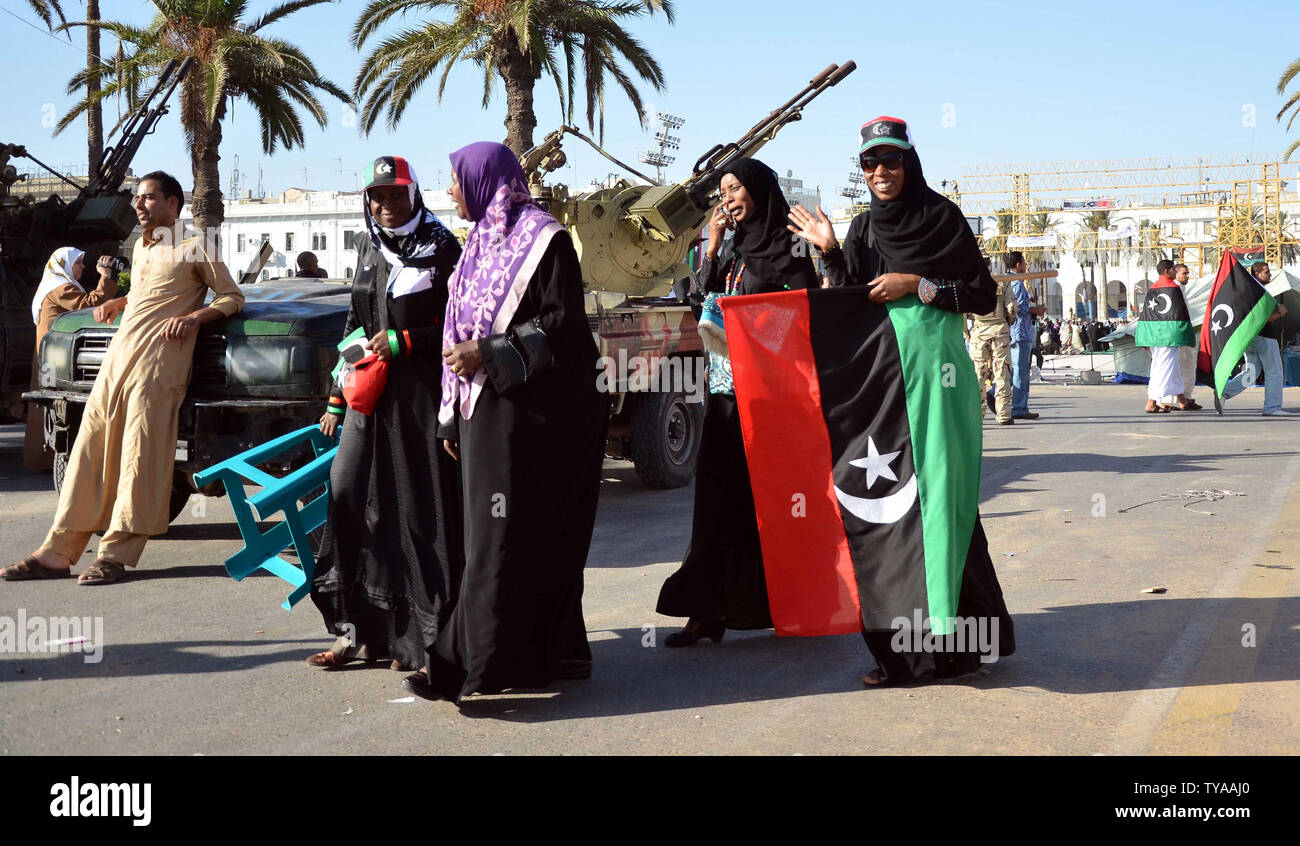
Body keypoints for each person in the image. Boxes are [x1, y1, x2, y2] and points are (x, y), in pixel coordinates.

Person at [787, 115, 1015, 686]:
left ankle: (954, 646)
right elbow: (853, 300)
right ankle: (908, 654)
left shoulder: (941, 217)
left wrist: (919, 284)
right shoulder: (863, 229)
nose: (880, 172)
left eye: (890, 161)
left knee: (942, 502)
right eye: (869, 163)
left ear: (908, 163)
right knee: (891, 505)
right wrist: (832, 252)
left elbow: (983, 293)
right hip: (885, 386)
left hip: (937, 384)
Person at [403, 141, 608, 703]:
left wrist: (488, 353)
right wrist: (452, 418)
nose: (449, 190)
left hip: (530, 416)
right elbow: (452, 331)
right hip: (483, 412)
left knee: (501, 539)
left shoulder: (544, 239)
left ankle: (465, 665)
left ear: (482, 178)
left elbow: (565, 327)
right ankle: (557, 650)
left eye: (454, 179)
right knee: (504, 535)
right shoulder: (476, 247)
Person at [2, 171, 244, 584]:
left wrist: (194, 317)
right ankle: (57, 552)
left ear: (173, 203)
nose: (138, 205)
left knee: (140, 457)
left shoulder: (196, 246)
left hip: (159, 366)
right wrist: (119, 300)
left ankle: (115, 555)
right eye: (137, 199)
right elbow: (152, 292)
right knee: (87, 451)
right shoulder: (144, 250)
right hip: (117, 361)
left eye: (148, 198)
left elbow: (231, 296)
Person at [307, 157, 464, 672]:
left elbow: (460, 325)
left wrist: (407, 339)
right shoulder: (369, 246)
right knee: (348, 493)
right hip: (368, 398)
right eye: (377, 197)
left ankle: (415, 643)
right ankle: (356, 632)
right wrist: (338, 392)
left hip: (418, 400)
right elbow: (356, 320)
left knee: (413, 511)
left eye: (396, 196)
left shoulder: (443, 248)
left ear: (414, 195)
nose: (386, 206)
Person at [656, 158, 819, 646]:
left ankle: (796, 605)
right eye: (723, 190)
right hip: (725, 398)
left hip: (771, 400)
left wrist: (756, 330)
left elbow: (805, 313)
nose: (728, 198)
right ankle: (706, 613)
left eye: (736, 188)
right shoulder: (731, 250)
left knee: (774, 504)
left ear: (759, 190)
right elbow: (700, 298)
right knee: (715, 502)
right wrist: (712, 243)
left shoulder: (789, 250)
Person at [23, 247, 120, 470]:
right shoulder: (60, 288)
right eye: (78, 263)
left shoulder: (56, 284)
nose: (82, 267)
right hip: (57, 358)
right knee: (54, 407)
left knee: (46, 407)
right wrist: (105, 277)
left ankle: (42, 460)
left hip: (51, 356)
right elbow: (88, 306)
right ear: (64, 265)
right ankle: (47, 461)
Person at [1217, 261, 1290, 416]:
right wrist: (1280, 313)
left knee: (1251, 373)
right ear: (1257, 274)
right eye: (1266, 272)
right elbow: (1263, 318)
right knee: (1274, 372)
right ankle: (1272, 407)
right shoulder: (1259, 292)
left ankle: (1224, 393)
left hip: (1250, 338)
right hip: (1265, 337)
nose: (1270, 274)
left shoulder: (1247, 291)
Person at [1136, 259, 1193, 414]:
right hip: (1169, 334)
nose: (1176, 272)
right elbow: (1181, 314)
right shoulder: (1174, 288)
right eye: (1174, 269)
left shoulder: (1152, 288)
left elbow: (1145, 314)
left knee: (1170, 366)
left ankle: (1182, 400)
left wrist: (1142, 336)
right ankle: (1151, 402)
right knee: (1163, 367)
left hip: (1154, 334)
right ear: (1167, 271)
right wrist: (1187, 335)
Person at [966, 257, 1016, 425]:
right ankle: (1003, 415)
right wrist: (1007, 322)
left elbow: (963, 313)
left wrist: (967, 333)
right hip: (1000, 331)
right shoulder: (1003, 281)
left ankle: (978, 415)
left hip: (979, 331)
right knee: (1002, 374)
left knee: (977, 375)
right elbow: (1012, 308)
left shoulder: (970, 281)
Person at [1006, 252, 1046, 419]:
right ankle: (1019, 407)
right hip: (1021, 332)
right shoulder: (1017, 282)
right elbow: (1020, 308)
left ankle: (997, 394)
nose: (1026, 265)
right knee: (1021, 371)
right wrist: (1036, 310)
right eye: (1024, 262)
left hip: (1015, 332)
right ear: (1018, 265)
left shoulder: (1008, 281)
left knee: (1014, 369)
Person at [1158, 263, 1203, 410]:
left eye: (1188, 273)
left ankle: (1181, 399)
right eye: (1184, 273)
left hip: (1178, 334)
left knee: (1182, 368)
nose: (1187, 276)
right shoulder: (1175, 290)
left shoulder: (1178, 289)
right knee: (1182, 368)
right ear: (1174, 273)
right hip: (1178, 335)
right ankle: (1173, 400)